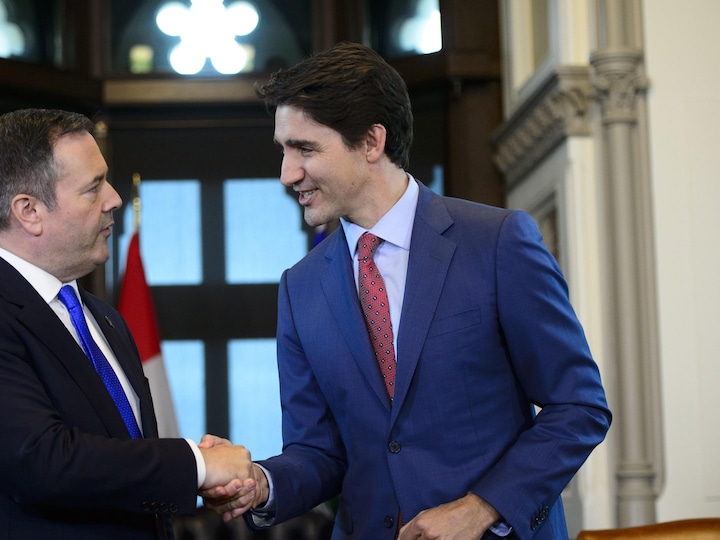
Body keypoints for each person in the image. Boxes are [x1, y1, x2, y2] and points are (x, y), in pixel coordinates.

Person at [202, 42, 612, 540]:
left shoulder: (498, 242)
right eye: (284, 151)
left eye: (305, 149)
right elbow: (319, 452)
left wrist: (481, 508)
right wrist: (262, 484)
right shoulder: (299, 288)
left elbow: (579, 406)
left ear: (372, 142)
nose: (287, 174)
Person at [0, 108, 256, 539]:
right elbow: (42, 463)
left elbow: (123, 463)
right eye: (93, 188)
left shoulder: (106, 318)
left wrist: (200, 477)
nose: (113, 198)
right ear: (29, 211)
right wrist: (198, 465)